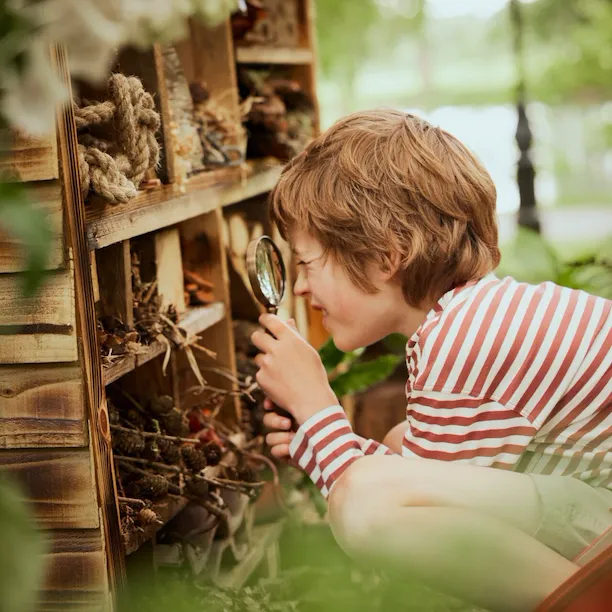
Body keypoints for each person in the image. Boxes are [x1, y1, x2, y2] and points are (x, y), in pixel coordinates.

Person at [250, 108, 612, 612]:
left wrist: (316, 408)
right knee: (398, 447)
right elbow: (415, 484)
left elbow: (389, 507)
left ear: (386, 254)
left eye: (308, 263)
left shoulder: (466, 340)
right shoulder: (469, 317)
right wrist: (320, 439)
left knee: (366, 508)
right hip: (594, 503)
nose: (305, 286)